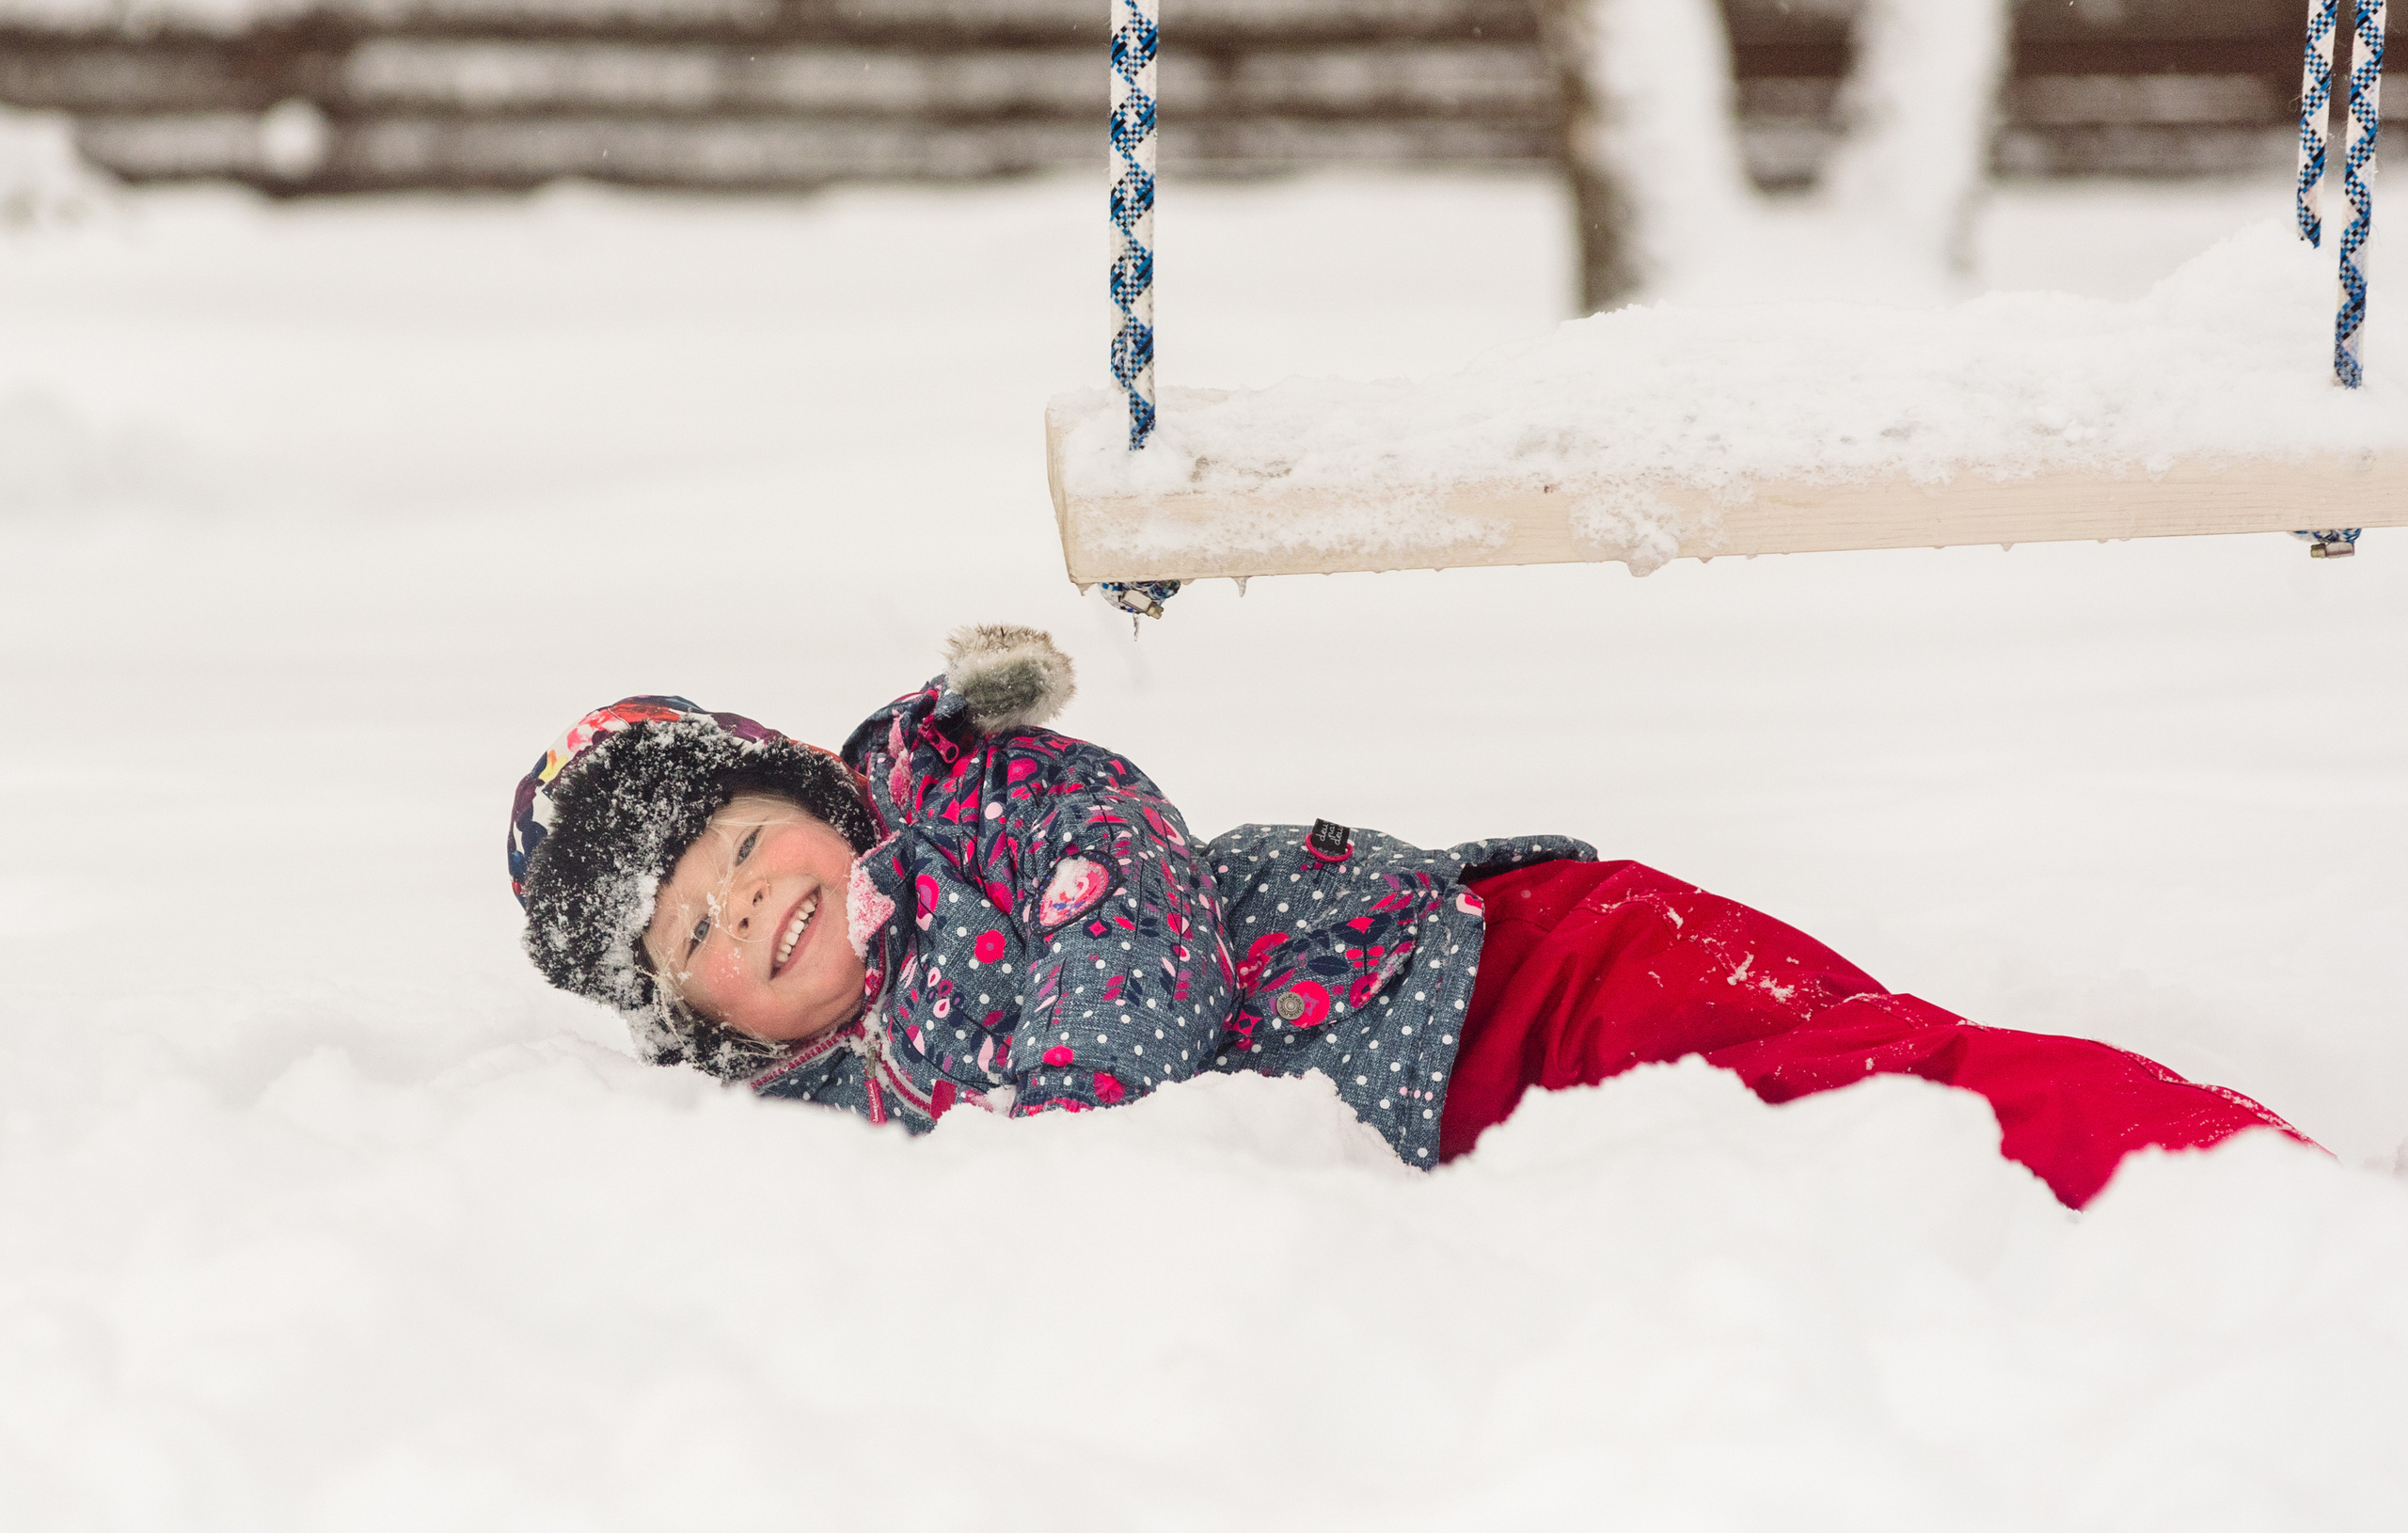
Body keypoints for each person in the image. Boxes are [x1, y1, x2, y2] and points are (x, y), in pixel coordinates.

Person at [507, 625, 2308, 1209]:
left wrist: (1002, 1112)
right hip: (1471, 1103)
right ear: (697, 1022)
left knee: (1915, 1101)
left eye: (747, 848)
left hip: (1517, 971)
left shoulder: (997, 803)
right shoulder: (821, 1128)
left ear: (820, 801)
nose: (755, 909)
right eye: (696, 936)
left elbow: (1133, 1011)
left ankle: (2277, 1208)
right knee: (1880, 1177)